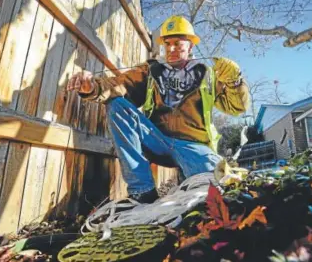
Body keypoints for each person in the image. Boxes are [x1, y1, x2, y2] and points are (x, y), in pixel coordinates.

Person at [67, 15, 250, 203]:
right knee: (117, 105)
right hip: (156, 140)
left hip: (193, 146)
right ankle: (142, 191)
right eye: (167, 43)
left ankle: (189, 177)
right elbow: (118, 85)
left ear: (190, 46)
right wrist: (92, 87)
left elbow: (237, 107)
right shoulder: (150, 71)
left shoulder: (208, 75)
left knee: (216, 187)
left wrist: (236, 82)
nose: (171, 49)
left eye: (178, 43)